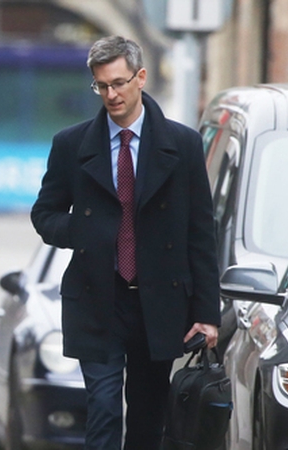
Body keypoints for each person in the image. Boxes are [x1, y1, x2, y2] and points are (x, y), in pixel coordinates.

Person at [30, 36, 220, 450]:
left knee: (148, 419)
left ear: (141, 78)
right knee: (104, 408)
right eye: (101, 86)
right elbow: (43, 215)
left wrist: (207, 313)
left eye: (118, 83)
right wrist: (81, 230)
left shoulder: (183, 145)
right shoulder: (71, 144)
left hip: (160, 301)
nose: (111, 95)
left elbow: (201, 232)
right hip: (98, 298)